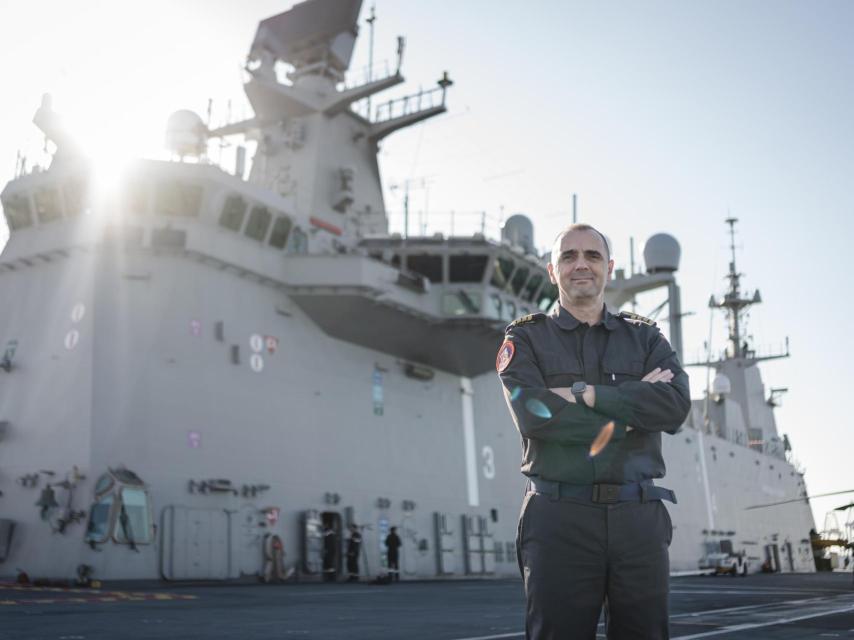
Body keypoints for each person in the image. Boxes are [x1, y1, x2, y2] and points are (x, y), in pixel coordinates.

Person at [497, 223, 690, 640]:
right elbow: (534, 416)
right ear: (553, 271)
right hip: (558, 517)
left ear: (610, 267)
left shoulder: (645, 337)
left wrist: (582, 395)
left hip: (637, 517)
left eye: (592, 256)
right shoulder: (526, 338)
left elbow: (675, 407)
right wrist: (634, 407)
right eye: (569, 256)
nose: (580, 264)